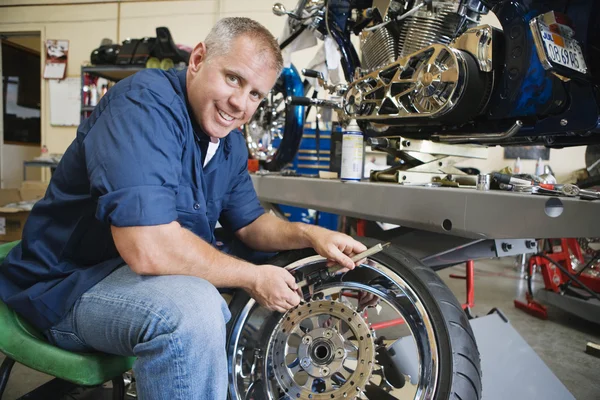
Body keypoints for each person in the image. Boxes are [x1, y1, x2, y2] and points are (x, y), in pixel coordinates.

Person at [0, 17, 367, 399]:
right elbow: (149, 247)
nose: (240, 104)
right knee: (192, 312)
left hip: (129, 279)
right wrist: (253, 276)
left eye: (256, 94)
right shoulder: (142, 107)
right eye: (233, 79)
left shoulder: (229, 144)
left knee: (233, 288)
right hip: (65, 289)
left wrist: (313, 237)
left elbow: (251, 224)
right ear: (197, 60)